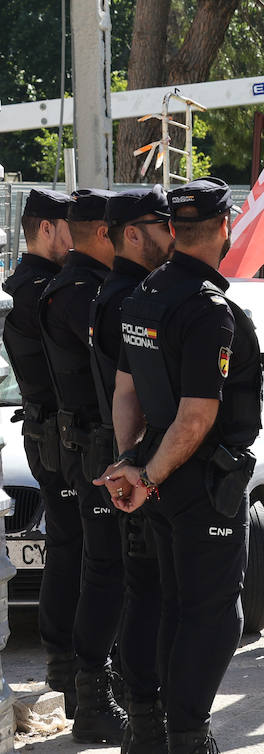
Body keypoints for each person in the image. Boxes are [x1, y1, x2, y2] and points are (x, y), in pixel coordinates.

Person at [97, 178, 264, 754]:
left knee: (164, 602)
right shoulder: (207, 309)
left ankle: (147, 728)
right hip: (196, 480)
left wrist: (132, 461)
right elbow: (195, 419)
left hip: (159, 476)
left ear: (172, 229)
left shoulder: (144, 294)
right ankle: (187, 736)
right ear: (225, 227)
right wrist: (143, 475)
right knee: (211, 614)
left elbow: (125, 393)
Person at [36, 188, 127, 742]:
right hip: (92, 449)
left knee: (112, 568)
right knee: (104, 568)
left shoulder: (92, 286)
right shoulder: (77, 292)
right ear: (101, 233)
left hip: (100, 446)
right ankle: (91, 696)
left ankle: (104, 686)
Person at [90, 186, 176, 753]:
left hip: (129, 460)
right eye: (161, 224)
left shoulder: (120, 292)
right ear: (132, 234)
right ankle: (145, 720)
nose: (172, 233)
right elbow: (135, 393)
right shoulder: (131, 298)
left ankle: (143, 714)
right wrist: (136, 464)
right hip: (136, 464)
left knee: (141, 591)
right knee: (148, 594)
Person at [1, 189, 77, 711]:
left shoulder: (21, 286)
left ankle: (66, 665)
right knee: (73, 553)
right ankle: (69, 667)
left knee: (69, 551)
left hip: (45, 432)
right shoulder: (38, 291)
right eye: (71, 227)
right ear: (47, 228)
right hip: (56, 434)